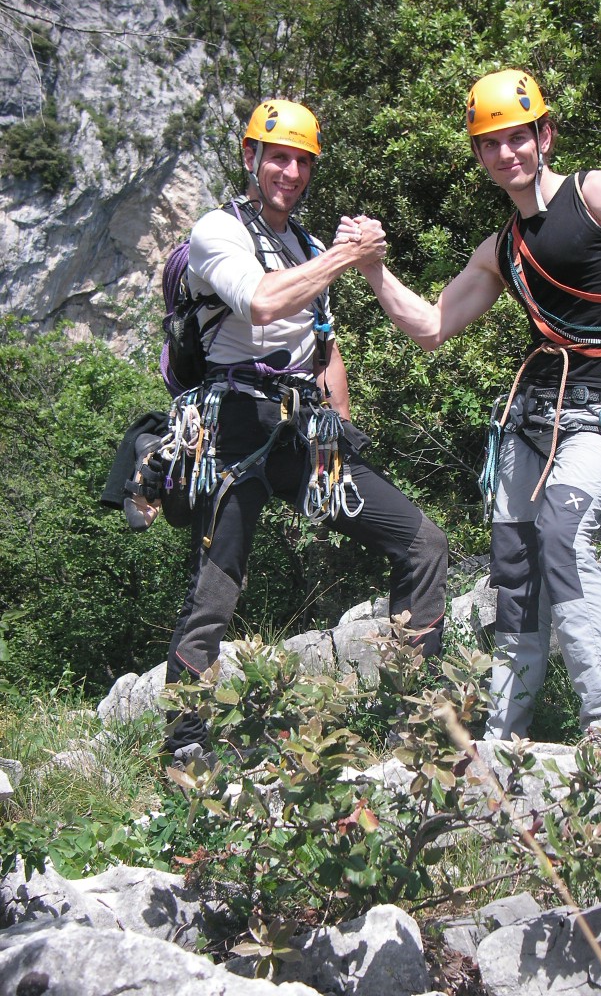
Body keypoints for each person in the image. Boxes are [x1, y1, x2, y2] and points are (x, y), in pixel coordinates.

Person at [338, 69, 601, 740]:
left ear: (544, 135)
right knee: (515, 565)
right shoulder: (501, 250)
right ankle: (504, 733)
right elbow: (432, 326)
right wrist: (373, 269)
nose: (506, 154)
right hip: (530, 422)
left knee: (561, 537)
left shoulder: (599, 193)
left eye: (517, 138)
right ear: (479, 155)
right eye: (490, 144)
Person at [165, 98, 447, 761]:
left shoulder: (308, 246)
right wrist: (348, 257)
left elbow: (324, 346)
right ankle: (184, 749)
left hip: (299, 433)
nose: (289, 172)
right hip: (232, 427)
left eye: (301, 161)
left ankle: (416, 722)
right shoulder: (216, 231)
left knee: (422, 542)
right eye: (278, 157)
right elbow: (263, 302)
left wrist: (339, 429)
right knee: (217, 586)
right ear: (250, 157)